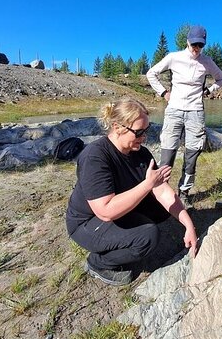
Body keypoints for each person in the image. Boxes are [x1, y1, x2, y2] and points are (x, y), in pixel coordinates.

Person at [65, 97, 198, 286]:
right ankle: (98, 263)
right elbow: (105, 211)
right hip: (87, 223)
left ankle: (127, 234)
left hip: (115, 211)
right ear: (117, 127)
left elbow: (163, 192)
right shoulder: (95, 157)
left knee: (160, 208)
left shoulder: (140, 153)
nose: (144, 137)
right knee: (148, 236)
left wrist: (188, 225)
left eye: (146, 130)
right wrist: (147, 185)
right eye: (139, 132)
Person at [146, 25, 222, 205]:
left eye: (200, 45)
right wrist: (163, 93)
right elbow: (151, 74)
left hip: (196, 112)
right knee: (167, 153)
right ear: (187, 41)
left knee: (192, 155)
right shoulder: (173, 57)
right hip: (174, 110)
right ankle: (162, 193)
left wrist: (208, 90)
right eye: (194, 44)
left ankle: (184, 193)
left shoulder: (206, 61)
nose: (196, 48)